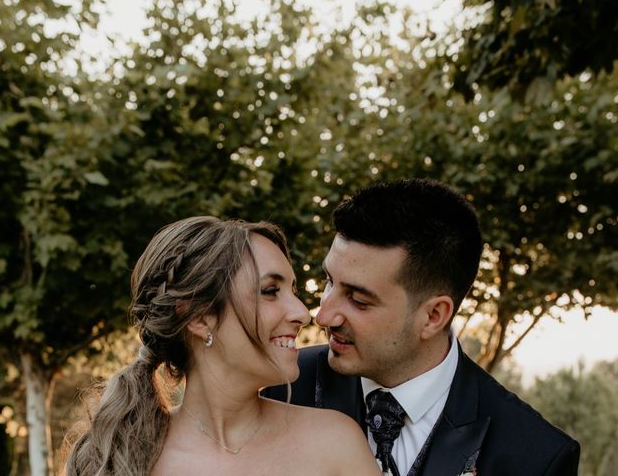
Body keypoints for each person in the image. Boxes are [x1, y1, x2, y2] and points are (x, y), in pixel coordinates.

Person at [265, 179, 580, 476]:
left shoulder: (534, 457)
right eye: (329, 282)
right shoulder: (281, 388)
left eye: (359, 300)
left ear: (433, 316)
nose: (323, 316)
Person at [64, 216, 381, 476]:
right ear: (199, 317)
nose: (301, 313)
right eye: (270, 291)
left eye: (293, 289)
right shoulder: (112, 458)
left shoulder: (334, 443)